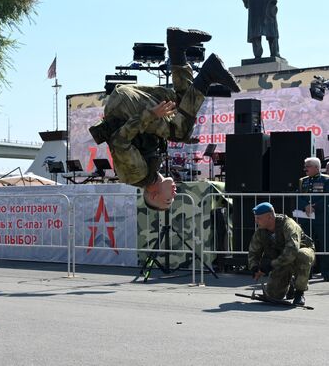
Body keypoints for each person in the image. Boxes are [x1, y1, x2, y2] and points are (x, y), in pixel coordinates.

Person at [89, 27, 241, 210]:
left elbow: (119, 140)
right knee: (182, 103)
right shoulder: (151, 171)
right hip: (125, 102)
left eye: (168, 199)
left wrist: (151, 115)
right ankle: (178, 47)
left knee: (180, 131)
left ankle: (209, 72)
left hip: (124, 106)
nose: (175, 194)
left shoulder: (136, 176)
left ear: (153, 194)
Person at [248, 202, 315, 305]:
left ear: (270, 217)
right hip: (281, 260)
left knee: (302, 255)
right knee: (273, 295)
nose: (256, 221)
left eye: (259, 218)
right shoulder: (261, 232)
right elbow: (253, 252)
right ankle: (291, 284)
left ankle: (299, 293)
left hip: (300, 253)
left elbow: (292, 251)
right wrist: (255, 267)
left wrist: (270, 265)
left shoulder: (289, 225)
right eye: (255, 218)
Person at [297, 157, 329, 280]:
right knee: (306, 246)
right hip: (306, 218)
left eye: (308, 166)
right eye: (305, 166)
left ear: (317, 167)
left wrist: (315, 207)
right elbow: (297, 196)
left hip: (322, 218)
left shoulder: (326, 180)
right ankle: (307, 273)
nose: (305, 169)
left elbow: (327, 197)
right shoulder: (302, 181)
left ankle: (326, 273)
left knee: (324, 245)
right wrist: (305, 206)